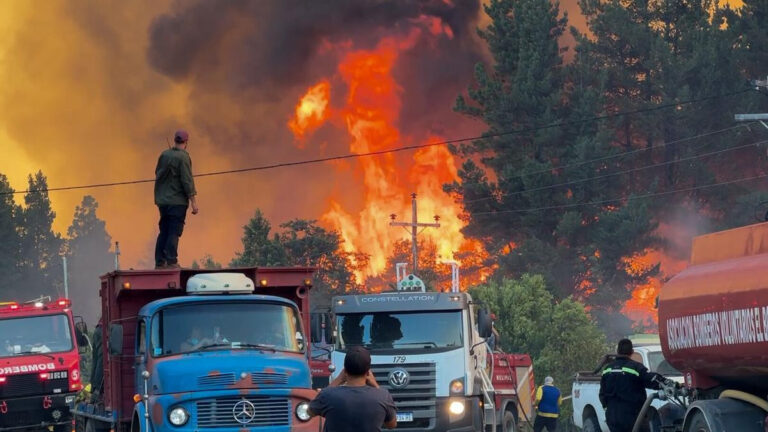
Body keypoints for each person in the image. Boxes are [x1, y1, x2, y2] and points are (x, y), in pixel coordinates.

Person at [309, 346, 397, 432]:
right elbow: (392, 425)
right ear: (368, 372)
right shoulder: (383, 396)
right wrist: (375, 385)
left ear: (345, 370)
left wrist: (338, 380)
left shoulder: (328, 395)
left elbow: (310, 412)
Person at [154, 129, 198, 269]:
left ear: (175, 140)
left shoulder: (164, 155)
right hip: (177, 201)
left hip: (162, 201)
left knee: (164, 230)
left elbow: (157, 173)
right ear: (186, 142)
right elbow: (187, 181)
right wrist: (193, 202)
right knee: (174, 231)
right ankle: (172, 261)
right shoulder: (184, 157)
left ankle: (160, 262)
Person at [599, 339, 664, 432]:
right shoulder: (636, 368)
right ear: (632, 352)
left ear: (617, 351)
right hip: (633, 417)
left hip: (612, 417)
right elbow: (652, 380)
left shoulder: (607, 369)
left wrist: (608, 409)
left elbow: (602, 394)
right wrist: (667, 383)